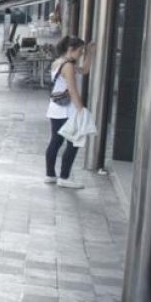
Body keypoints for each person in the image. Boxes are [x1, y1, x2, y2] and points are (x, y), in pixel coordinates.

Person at [45, 36, 91, 189]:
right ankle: (64, 177)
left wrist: (90, 54)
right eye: (80, 51)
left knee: (56, 142)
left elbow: (84, 70)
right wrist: (81, 110)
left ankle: (50, 175)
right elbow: (72, 90)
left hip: (55, 108)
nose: (81, 54)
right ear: (70, 50)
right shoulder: (68, 66)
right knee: (73, 143)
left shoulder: (58, 63)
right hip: (67, 110)